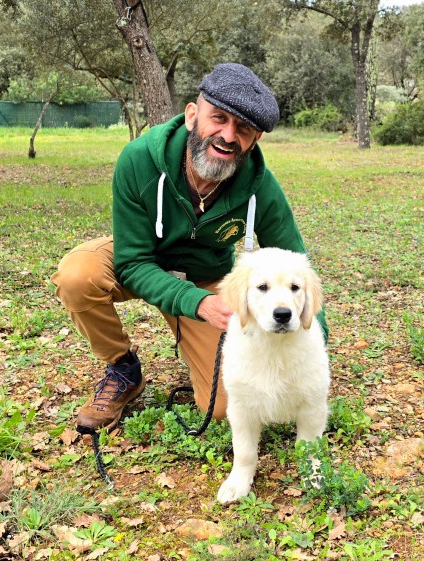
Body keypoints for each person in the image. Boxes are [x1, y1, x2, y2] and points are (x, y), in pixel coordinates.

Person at [51, 63, 326, 434]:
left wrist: (316, 353)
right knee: (77, 275)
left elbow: (300, 270)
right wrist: (196, 303)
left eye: (242, 129)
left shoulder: (261, 187)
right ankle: (122, 368)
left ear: (255, 139)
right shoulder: (138, 160)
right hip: (143, 259)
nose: (228, 135)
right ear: (192, 115)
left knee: (223, 405)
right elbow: (131, 262)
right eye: (219, 118)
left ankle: (196, 346)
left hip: (206, 277)